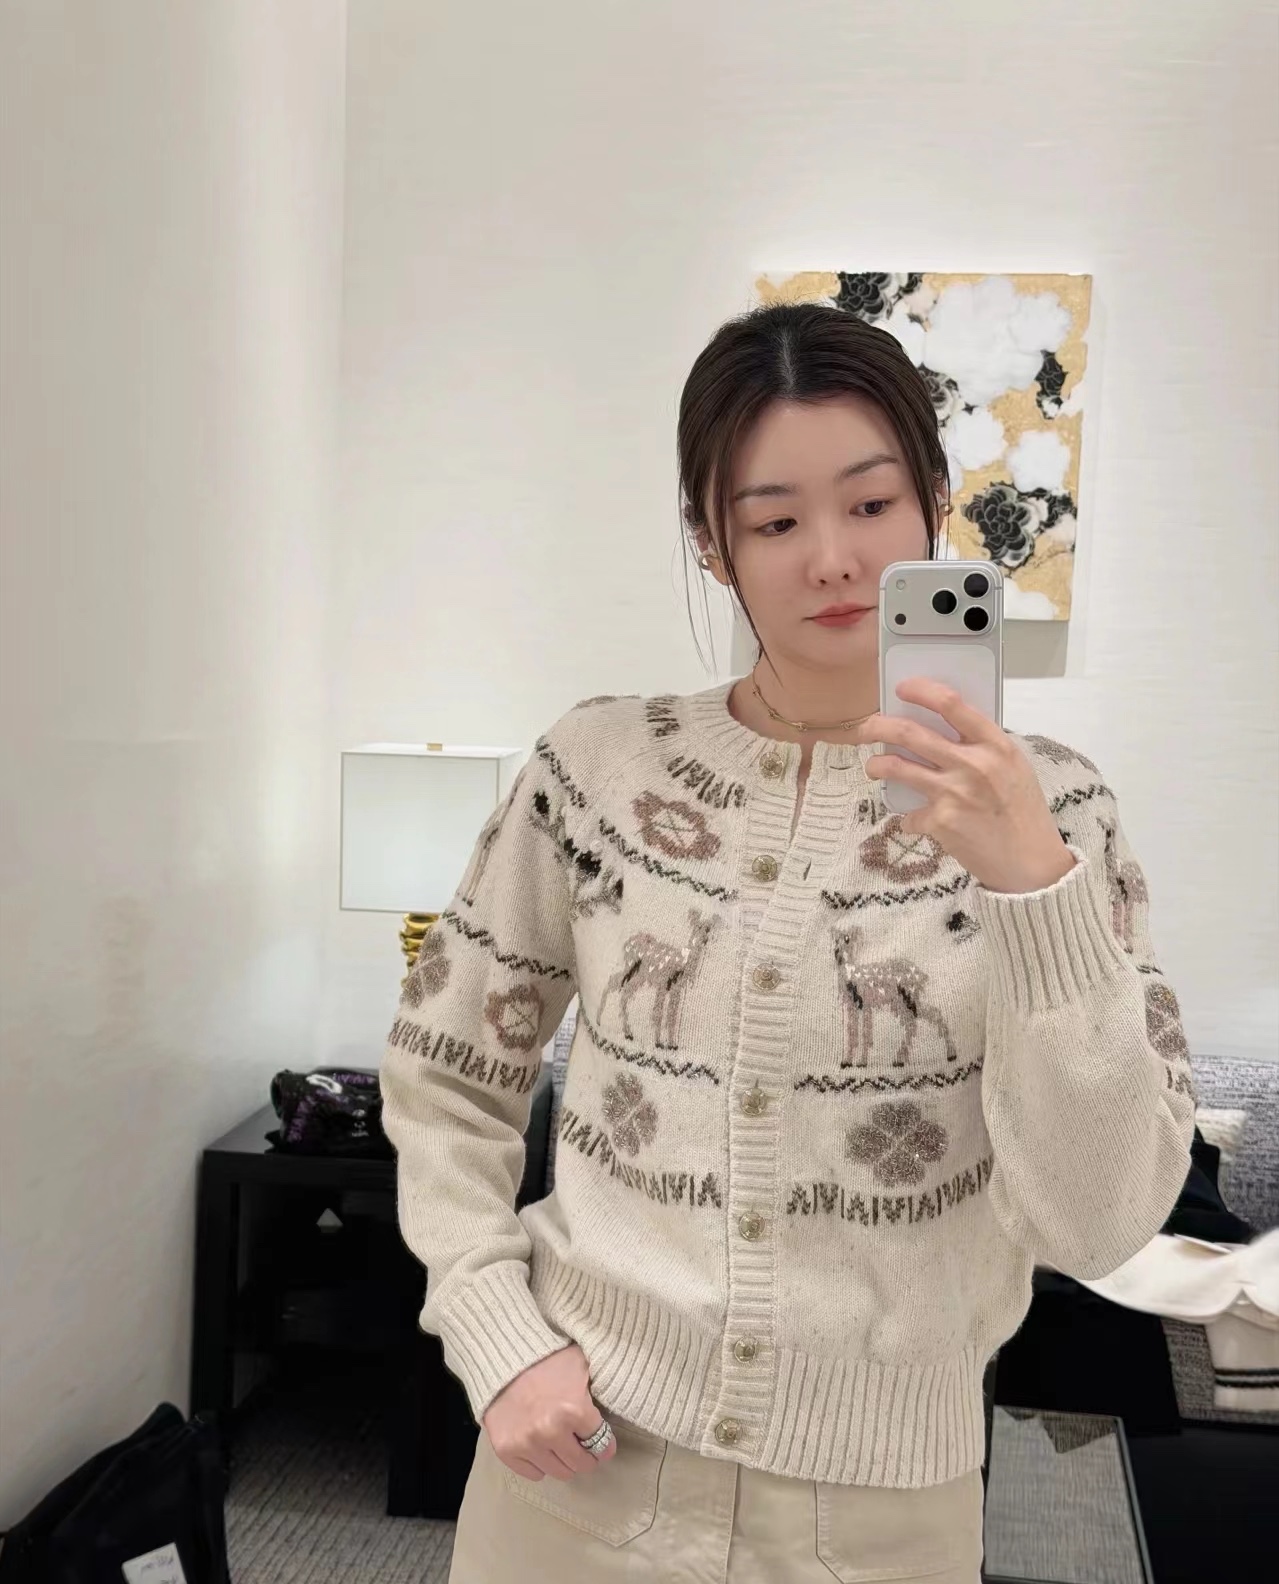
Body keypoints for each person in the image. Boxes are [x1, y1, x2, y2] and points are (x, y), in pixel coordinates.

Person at [378, 303, 1196, 1583]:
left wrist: (1030, 888)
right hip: (576, 1469)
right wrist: (495, 1331)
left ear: (932, 507)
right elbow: (445, 1074)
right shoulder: (596, 769)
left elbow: (1095, 1224)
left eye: (871, 505)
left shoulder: (1059, 812)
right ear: (711, 545)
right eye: (772, 522)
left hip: (884, 1521)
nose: (832, 559)